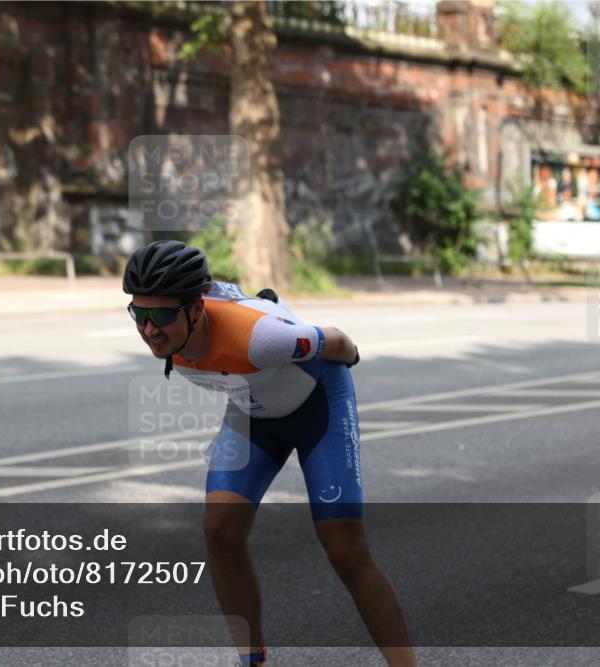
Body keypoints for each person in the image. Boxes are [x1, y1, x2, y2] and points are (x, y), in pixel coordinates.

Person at [123, 240, 416, 667]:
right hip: (251, 411)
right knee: (220, 531)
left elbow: (338, 343)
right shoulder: (174, 333)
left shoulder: (262, 338)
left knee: (344, 549)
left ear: (195, 309)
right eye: (139, 314)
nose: (150, 330)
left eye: (162, 315)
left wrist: (346, 356)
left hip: (318, 404)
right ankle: (252, 660)